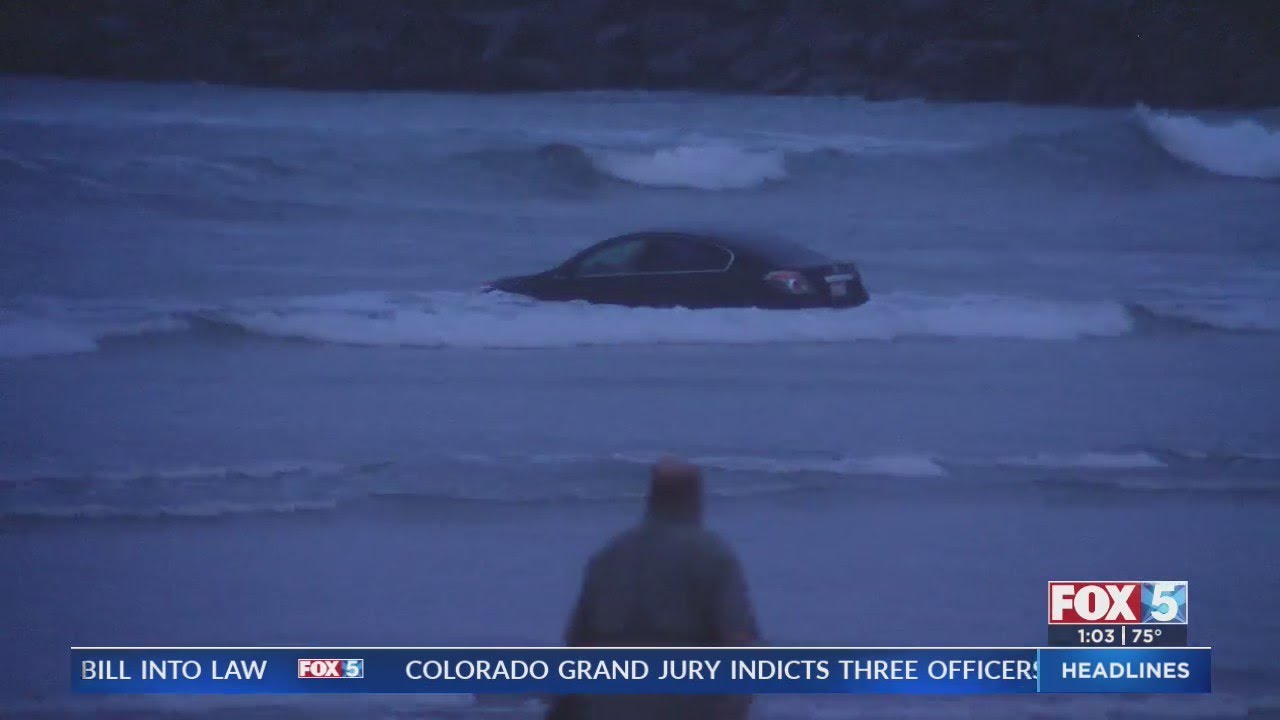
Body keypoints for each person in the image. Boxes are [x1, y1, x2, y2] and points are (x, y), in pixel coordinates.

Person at [548, 456, 760, 720]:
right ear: (696, 499)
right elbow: (740, 647)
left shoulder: (609, 557)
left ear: (651, 498)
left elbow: (575, 649)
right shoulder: (712, 556)